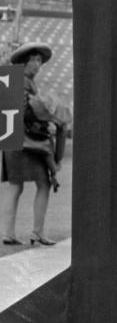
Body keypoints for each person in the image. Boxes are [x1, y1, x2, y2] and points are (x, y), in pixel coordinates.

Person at [0, 43, 61, 247]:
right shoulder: (23, 82)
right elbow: (27, 112)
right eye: (33, 60)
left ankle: (9, 233)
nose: (37, 64)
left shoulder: (15, 80)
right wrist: (47, 125)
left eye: (39, 60)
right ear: (24, 62)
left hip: (14, 139)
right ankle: (36, 232)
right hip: (28, 142)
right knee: (43, 183)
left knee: (15, 185)